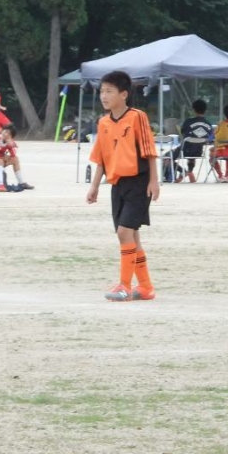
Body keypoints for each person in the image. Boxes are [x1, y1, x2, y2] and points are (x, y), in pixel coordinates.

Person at [85, 70, 159, 302]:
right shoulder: (103, 123)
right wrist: (94, 186)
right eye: (101, 92)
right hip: (117, 184)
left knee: (124, 232)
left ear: (124, 94)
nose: (104, 96)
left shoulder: (137, 117)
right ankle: (145, 287)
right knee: (132, 236)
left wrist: (154, 181)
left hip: (139, 182)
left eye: (109, 91)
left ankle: (124, 286)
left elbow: (149, 152)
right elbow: (101, 158)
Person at [0, 123, 34, 192]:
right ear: (2, 131)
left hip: (0, 161)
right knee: (0, 161)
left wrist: (11, 145)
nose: (6, 134)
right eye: (5, 131)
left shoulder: (9, 142)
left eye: (9, 134)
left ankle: (21, 183)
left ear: (11, 137)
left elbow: (13, 155)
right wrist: (2, 158)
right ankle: (0, 184)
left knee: (15, 159)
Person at [179, 99, 213, 183]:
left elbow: (183, 133)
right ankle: (190, 171)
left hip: (185, 150)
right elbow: (210, 137)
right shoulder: (208, 124)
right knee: (193, 153)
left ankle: (183, 172)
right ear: (205, 110)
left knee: (167, 156)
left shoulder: (188, 121)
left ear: (194, 110)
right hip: (199, 151)